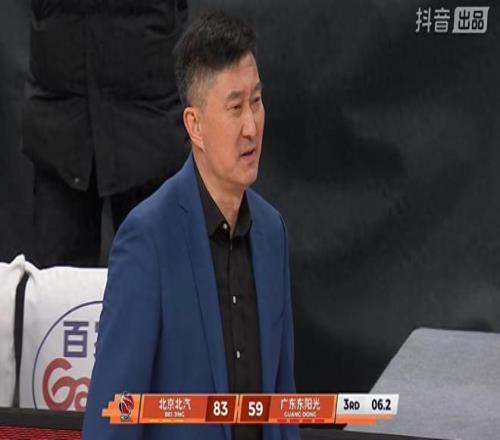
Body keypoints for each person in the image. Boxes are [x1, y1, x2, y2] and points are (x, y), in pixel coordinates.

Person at [83, 11, 299, 440]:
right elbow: (114, 415)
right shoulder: (148, 239)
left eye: (256, 101)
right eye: (235, 107)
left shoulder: (272, 232)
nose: (251, 126)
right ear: (194, 125)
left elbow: (282, 398)